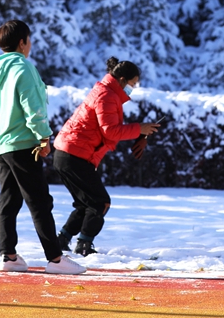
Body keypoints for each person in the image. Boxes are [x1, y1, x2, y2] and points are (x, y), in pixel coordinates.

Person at [0, 19, 86, 275]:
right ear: (22, 42)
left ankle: (8, 256)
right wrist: (43, 137)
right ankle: (55, 259)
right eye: (29, 40)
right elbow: (33, 106)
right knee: (40, 201)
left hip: (1, 144)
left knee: (8, 202)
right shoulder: (23, 67)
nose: (30, 45)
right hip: (22, 143)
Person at [53, 57, 161, 257]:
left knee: (86, 203)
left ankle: (62, 240)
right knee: (100, 202)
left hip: (67, 153)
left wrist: (141, 133)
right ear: (122, 79)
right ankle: (84, 244)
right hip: (74, 155)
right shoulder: (107, 95)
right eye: (132, 83)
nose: (133, 88)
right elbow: (110, 131)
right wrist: (140, 129)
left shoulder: (105, 92)